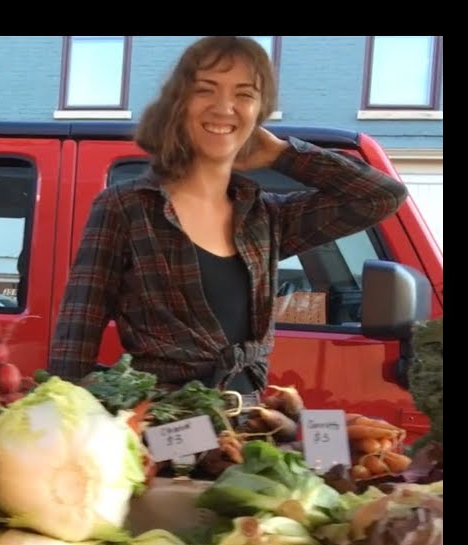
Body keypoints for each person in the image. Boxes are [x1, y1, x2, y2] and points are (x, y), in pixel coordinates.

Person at [48, 36, 408, 397]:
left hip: (248, 427)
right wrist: (66, 421)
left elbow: (381, 196)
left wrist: (284, 155)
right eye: (206, 90)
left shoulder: (265, 217)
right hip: (161, 430)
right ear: (178, 103)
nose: (224, 107)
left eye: (245, 94)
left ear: (258, 112)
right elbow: (75, 340)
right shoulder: (125, 208)